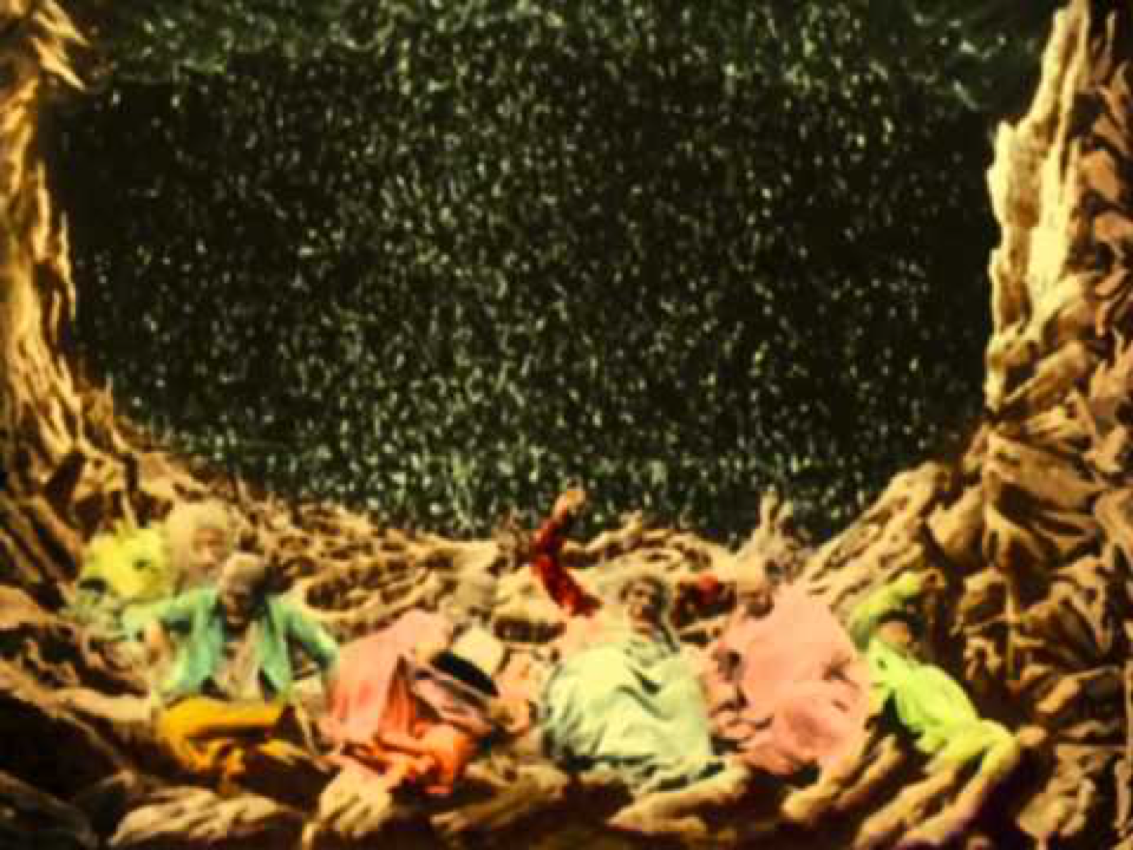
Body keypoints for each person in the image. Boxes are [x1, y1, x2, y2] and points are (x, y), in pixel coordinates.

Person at [844, 572, 1022, 847]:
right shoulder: (875, 650)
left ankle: (953, 810)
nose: (902, 634)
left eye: (906, 631)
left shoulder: (919, 662)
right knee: (991, 737)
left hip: (931, 725)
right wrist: (910, 586)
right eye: (894, 627)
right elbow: (868, 615)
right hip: (903, 711)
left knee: (989, 739)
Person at [321, 570, 528, 797]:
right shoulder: (437, 626)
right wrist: (475, 692)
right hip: (386, 675)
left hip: (358, 668)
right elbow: (426, 656)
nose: (473, 617)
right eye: (474, 611)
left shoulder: (421, 618)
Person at [147, 552, 339, 793]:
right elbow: (154, 619)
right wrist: (164, 655)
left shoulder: (281, 614)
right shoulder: (201, 603)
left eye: (242, 598)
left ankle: (238, 763)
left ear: (261, 597)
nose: (231, 603)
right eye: (226, 594)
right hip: (208, 708)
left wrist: (336, 713)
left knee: (278, 754)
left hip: (261, 713)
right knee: (173, 725)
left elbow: (328, 653)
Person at [538, 569, 721, 792]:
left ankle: (651, 756)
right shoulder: (608, 620)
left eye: (653, 599)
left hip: (651, 678)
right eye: (639, 594)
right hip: (612, 669)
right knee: (605, 676)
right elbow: (589, 646)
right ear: (627, 596)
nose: (645, 602)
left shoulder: (661, 632)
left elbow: (666, 656)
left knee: (678, 685)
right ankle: (605, 749)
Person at [700, 550, 870, 778]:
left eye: (756, 595)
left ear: (771, 587)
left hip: (817, 690)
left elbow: (832, 652)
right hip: (762, 707)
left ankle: (841, 761)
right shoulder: (739, 622)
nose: (749, 602)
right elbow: (721, 666)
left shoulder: (803, 610)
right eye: (743, 596)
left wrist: (797, 679)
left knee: (803, 705)